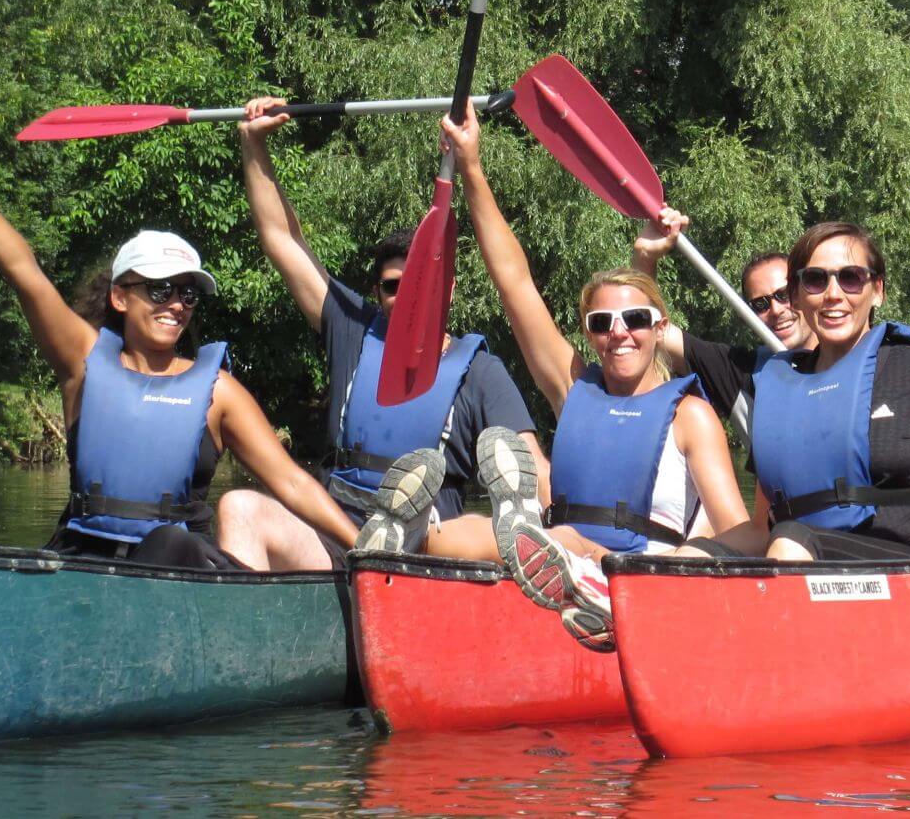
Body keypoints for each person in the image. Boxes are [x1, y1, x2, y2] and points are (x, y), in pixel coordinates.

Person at [0, 134, 359, 571]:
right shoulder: (83, 359)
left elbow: (290, 481)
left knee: (170, 542)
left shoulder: (220, 393)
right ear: (120, 296)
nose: (176, 304)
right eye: (160, 290)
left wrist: (365, 548)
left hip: (182, 566)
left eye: (188, 295)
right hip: (84, 560)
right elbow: (25, 272)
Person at [440, 104, 754, 650]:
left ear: (660, 328)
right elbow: (514, 283)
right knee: (442, 538)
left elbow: (739, 533)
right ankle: (397, 538)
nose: (619, 334)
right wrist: (471, 168)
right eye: (602, 323)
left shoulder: (691, 417)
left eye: (635, 321)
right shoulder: (573, 390)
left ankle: (579, 581)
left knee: (556, 537)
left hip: (643, 580)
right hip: (560, 549)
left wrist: (674, 565)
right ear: (589, 334)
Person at [228, 97, 549, 561]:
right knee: (239, 507)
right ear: (377, 293)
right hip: (340, 531)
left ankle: (546, 563)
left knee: (494, 530)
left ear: (450, 290)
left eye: (425, 285)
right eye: (393, 287)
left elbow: (530, 463)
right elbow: (283, 239)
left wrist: (547, 507)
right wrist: (253, 144)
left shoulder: (480, 372)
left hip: (430, 540)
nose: (410, 297)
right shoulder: (353, 330)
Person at [669, 220, 910, 562]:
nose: (833, 294)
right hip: (802, 554)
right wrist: (690, 554)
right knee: (688, 556)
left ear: (876, 291)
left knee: (790, 542)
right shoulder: (776, 387)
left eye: (851, 278)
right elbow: (763, 529)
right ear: (797, 296)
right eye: (816, 280)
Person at [629, 210, 813, 433]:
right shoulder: (738, 371)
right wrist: (645, 258)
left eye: (784, 294)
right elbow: (657, 334)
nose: (776, 309)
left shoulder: (855, 360)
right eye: (760, 304)